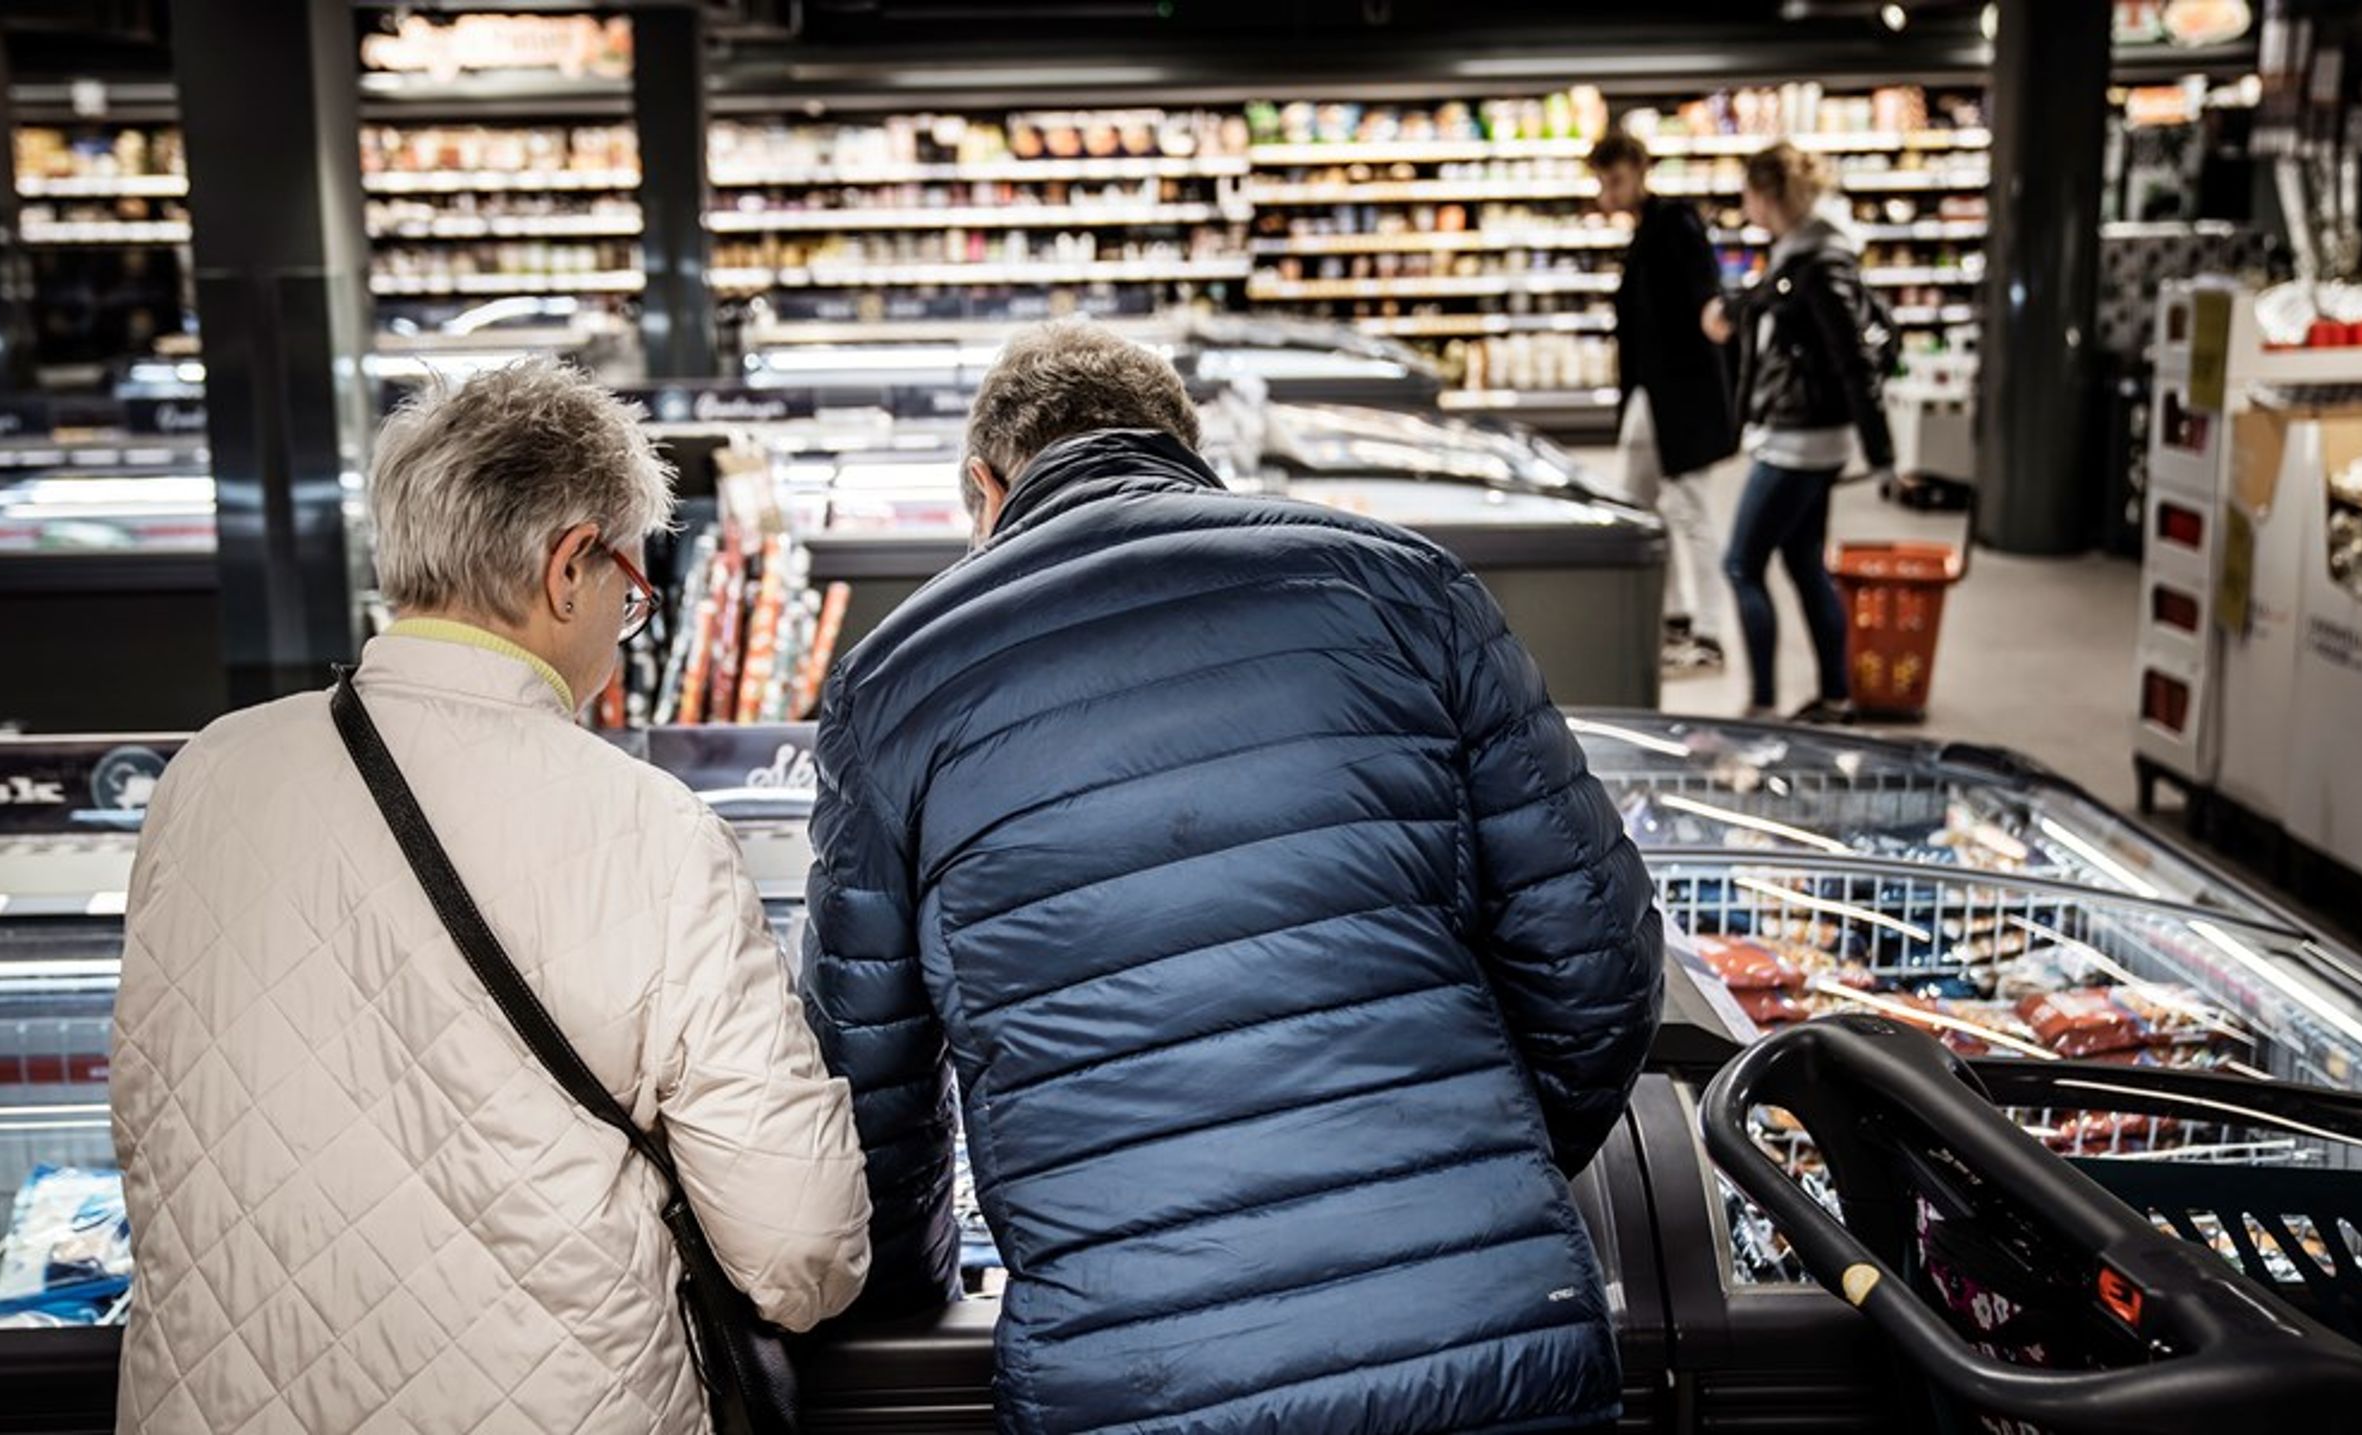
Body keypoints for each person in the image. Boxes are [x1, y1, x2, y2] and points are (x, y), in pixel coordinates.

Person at [802, 320, 1664, 1435]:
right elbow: (1600, 971)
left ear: (983, 486)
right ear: (1186, 451)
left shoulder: (892, 687)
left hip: (1136, 1369)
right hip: (1478, 1333)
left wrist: (915, 1297)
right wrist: (1471, 1171)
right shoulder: (1406, 589)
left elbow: (870, 1088)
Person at [110, 360, 871, 1435]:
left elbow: (150, 1132)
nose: (623, 620)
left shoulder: (206, 776)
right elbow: (797, 1244)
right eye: (630, 590)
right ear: (570, 568)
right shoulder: (646, 828)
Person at [1703, 141, 1896, 724]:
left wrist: (1885, 458)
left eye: (1747, 193)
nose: (1743, 205)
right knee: (1804, 563)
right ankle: (1835, 696)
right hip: (1805, 437)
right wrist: (1734, 312)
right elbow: (1775, 310)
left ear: (1767, 195)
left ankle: (1762, 703)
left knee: (1741, 564)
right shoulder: (1800, 256)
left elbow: (1852, 362)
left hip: (1801, 443)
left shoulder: (1820, 262)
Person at [1589, 129, 1739, 673]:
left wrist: (1714, 312)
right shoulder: (1645, 229)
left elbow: (1705, 288)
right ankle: (1673, 616)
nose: (1609, 192)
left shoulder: (1675, 220)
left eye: (1616, 180)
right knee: (1638, 506)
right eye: (1604, 183)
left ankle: (1711, 635)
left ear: (1639, 169)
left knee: (1693, 510)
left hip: (1685, 398)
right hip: (1652, 398)